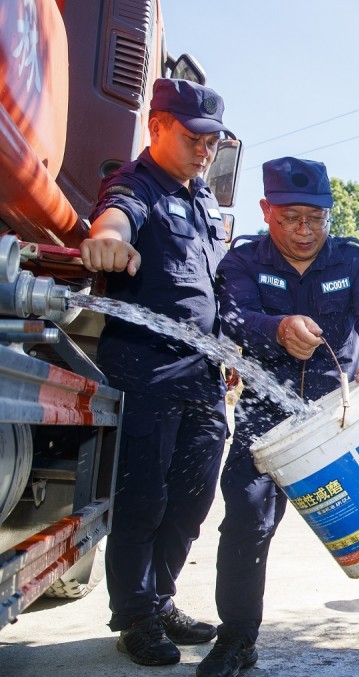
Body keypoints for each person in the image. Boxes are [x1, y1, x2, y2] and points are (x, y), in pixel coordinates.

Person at [197, 158, 359, 677]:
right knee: (246, 519)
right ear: (266, 210)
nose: (305, 231)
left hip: (341, 406)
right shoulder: (243, 261)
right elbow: (229, 317)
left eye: (317, 219)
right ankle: (237, 637)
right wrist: (276, 327)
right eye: (291, 218)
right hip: (265, 412)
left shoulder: (353, 259)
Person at [78, 78, 233, 666]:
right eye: (192, 136)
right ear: (158, 127)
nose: (203, 149)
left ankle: (161, 598)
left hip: (202, 375)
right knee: (143, 499)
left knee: (191, 501)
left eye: (213, 141)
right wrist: (107, 240)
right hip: (146, 369)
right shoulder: (134, 181)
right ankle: (136, 616)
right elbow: (115, 217)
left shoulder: (201, 202)